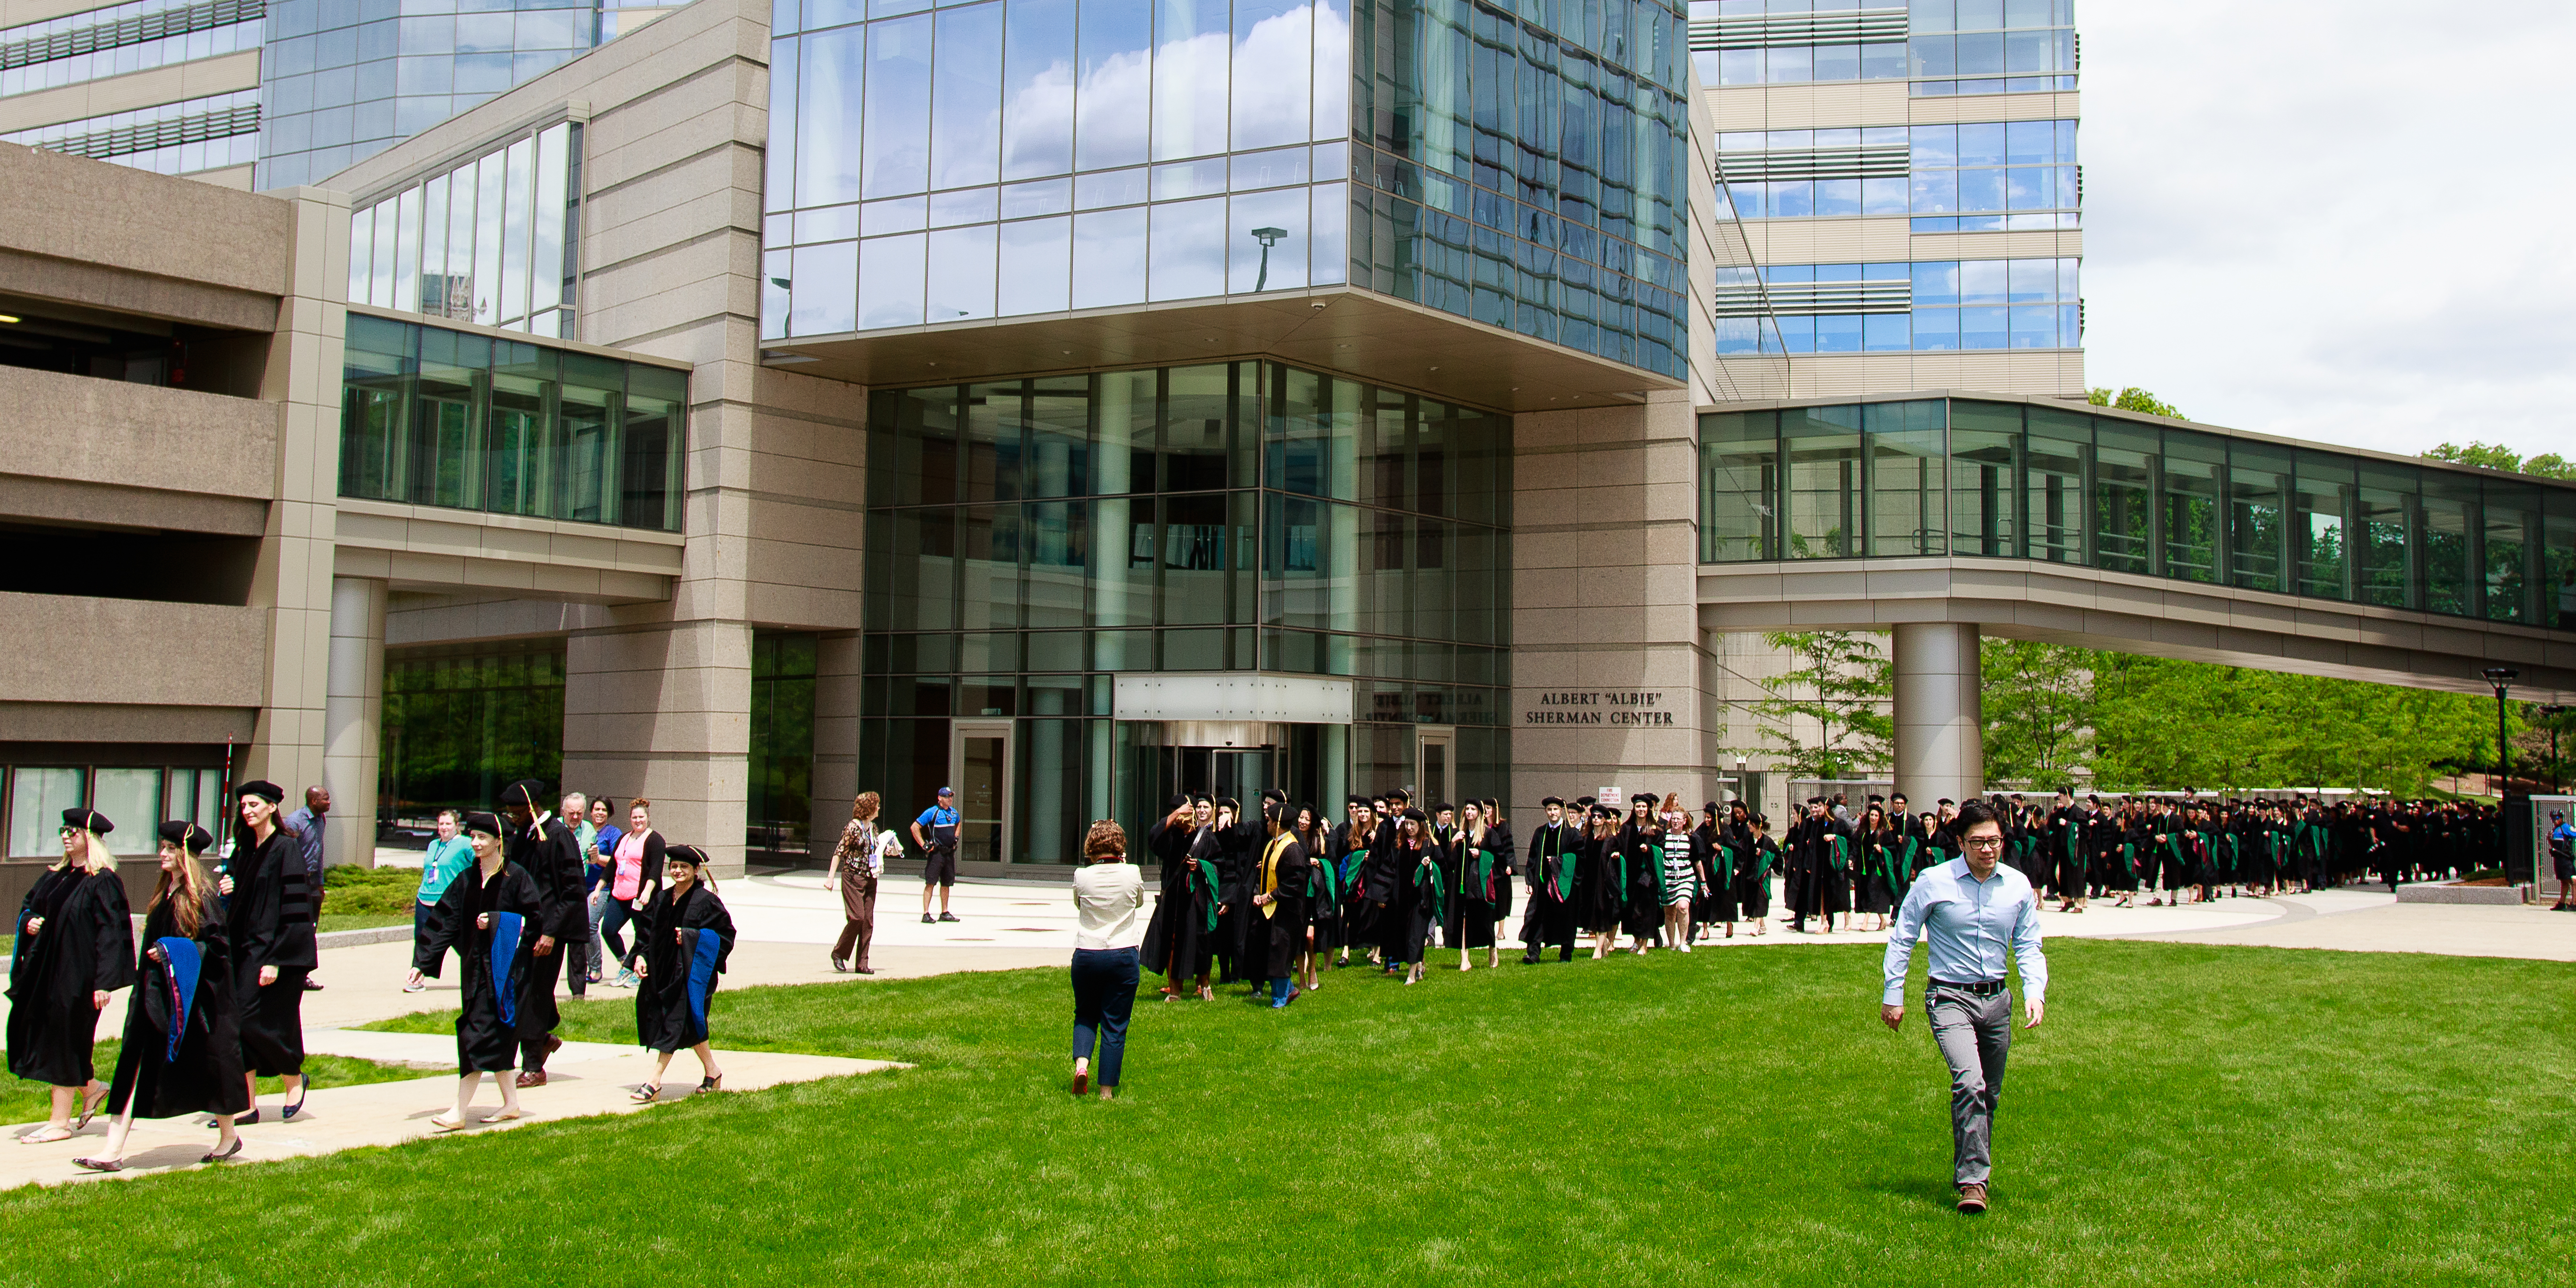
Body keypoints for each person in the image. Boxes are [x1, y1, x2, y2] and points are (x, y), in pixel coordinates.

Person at [1880, 798, 2048, 1215]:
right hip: (1949, 998)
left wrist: (2035, 990)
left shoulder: (2017, 886)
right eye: (1977, 842)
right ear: (1960, 843)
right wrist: (1893, 994)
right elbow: (1903, 936)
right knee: (1970, 1084)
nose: (1987, 850)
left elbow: (2028, 944)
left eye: (1994, 841)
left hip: (1998, 1001)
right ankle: (1974, 1183)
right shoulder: (1934, 882)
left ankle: (1969, 1169)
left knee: (1987, 1095)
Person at [76, 821, 250, 1171]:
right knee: (134, 1066)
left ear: (186, 855)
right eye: (163, 847)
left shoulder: (201, 897)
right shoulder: (165, 893)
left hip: (191, 1003)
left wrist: (172, 951)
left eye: (171, 849)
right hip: (154, 997)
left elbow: (217, 949)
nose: (163, 854)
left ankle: (229, 1136)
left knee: (209, 1069)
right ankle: (112, 1150)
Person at [406, 812, 539, 1130]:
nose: (476, 843)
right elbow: (445, 921)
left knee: (474, 1036)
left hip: (506, 976)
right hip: (474, 971)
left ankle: (459, 1111)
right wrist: (422, 962)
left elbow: (535, 922)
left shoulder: (516, 877)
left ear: (499, 841)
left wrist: (498, 921)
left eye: (482, 838)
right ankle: (511, 1104)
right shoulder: (466, 879)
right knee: (496, 1038)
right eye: (473, 837)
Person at [8, 808, 134, 1144]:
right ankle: (92, 1089)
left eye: (73, 831)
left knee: (66, 1042)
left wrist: (105, 982)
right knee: (50, 1038)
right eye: (63, 830)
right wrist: (30, 922)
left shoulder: (103, 880)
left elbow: (111, 933)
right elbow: (29, 907)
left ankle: (59, 1123)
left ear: (90, 838)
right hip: (48, 974)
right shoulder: (56, 876)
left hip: (80, 978)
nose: (65, 836)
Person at [223, 781, 314, 1122]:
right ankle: (246, 1105)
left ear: (272, 807)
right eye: (244, 806)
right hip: (242, 949)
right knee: (235, 1024)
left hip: (273, 950)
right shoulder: (245, 848)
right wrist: (230, 888)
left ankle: (293, 1077)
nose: (247, 811)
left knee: (257, 1021)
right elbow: (240, 900)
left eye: (254, 805)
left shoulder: (285, 847)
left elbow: (295, 905)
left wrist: (277, 959)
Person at [629, 845, 733, 1101]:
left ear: (696, 870)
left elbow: (725, 936)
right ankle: (713, 1072)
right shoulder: (662, 899)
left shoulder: (706, 901)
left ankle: (654, 1082)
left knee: (674, 1021)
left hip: (691, 974)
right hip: (662, 972)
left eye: (684, 867)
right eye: (674, 866)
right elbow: (645, 932)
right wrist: (641, 956)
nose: (678, 871)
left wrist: (691, 937)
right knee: (690, 1024)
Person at [498, 780, 583, 1088]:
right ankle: (544, 1036)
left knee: (533, 994)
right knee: (521, 990)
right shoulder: (525, 836)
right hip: (524, 929)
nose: (513, 818)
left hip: (547, 932)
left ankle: (534, 1066)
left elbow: (572, 891)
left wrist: (550, 933)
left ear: (533, 808)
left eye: (517, 812)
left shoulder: (559, 837)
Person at [1070, 819, 1143, 1098]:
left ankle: (1082, 1066)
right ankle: (1106, 1091)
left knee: (1085, 1014)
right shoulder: (1132, 873)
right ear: (1120, 846)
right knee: (1115, 1023)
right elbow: (1138, 902)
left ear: (1091, 847)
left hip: (1087, 953)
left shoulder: (1082, 875)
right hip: (1123, 953)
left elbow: (1079, 904)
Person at [407, 809, 475, 992]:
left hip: (450, 902)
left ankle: (480, 974)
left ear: (457, 825)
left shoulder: (466, 844)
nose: (444, 828)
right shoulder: (433, 844)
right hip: (425, 899)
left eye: (448, 824)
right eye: (441, 824)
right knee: (422, 941)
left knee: (461, 941)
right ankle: (417, 979)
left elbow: (478, 868)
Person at [601, 799, 664, 986]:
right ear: (630, 819)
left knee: (643, 935)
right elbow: (612, 865)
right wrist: (598, 888)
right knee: (608, 930)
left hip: (641, 897)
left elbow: (656, 869)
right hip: (620, 894)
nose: (638, 820)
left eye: (641, 817)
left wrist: (647, 891)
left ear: (648, 817)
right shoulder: (624, 838)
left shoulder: (655, 840)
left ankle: (639, 970)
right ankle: (626, 963)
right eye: (634, 817)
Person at [1251, 799, 1308, 1007]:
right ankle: (1289, 990)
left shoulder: (1292, 849)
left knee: (1281, 952)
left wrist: (1271, 896)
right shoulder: (1272, 845)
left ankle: (1280, 998)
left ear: (1277, 824)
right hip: (1271, 910)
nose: (1266, 824)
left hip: (1287, 911)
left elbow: (1295, 883)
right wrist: (1259, 894)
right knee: (1271, 951)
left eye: (1269, 821)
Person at [827, 793, 892, 974]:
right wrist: (831, 877)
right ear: (869, 808)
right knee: (857, 917)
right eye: (877, 805)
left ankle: (862, 964)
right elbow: (839, 851)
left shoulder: (873, 828)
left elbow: (875, 850)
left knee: (868, 922)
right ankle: (839, 953)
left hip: (871, 878)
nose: (879, 808)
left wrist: (888, 850)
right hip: (853, 877)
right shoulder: (853, 828)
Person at [1519, 797, 1580, 964]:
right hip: (1542, 883)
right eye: (1549, 810)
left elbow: (1578, 858)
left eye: (1556, 809)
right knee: (1536, 916)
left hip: (1564, 885)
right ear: (1546, 812)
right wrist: (1529, 880)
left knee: (1566, 919)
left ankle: (1566, 955)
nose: (1553, 813)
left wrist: (1557, 862)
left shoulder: (1571, 833)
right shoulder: (1540, 832)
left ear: (1562, 811)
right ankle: (1533, 953)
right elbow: (1532, 858)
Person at [281, 786, 330, 991]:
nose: (329, 802)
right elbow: (285, 854)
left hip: (312, 882)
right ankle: (288, 975)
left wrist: (320, 883)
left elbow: (319, 852)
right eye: (325, 799)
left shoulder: (320, 820)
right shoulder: (294, 822)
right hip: (296, 881)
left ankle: (303, 976)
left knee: (311, 930)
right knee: (296, 928)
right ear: (313, 801)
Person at [910, 787, 962, 924]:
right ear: (940, 798)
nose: (950, 799)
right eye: (947, 797)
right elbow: (915, 827)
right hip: (937, 854)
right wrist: (924, 845)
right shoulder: (932, 812)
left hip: (949, 853)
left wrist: (956, 837)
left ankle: (945, 912)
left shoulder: (953, 812)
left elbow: (959, 822)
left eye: (951, 797)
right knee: (931, 882)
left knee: (946, 883)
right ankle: (926, 913)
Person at [560, 792, 593, 1000]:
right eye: (571, 813)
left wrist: (595, 858)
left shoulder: (589, 830)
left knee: (578, 944)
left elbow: (593, 860)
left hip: (580, 891)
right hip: (558, 891)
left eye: (579, 813)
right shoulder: (553, 829)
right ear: (563, 811)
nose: (575, 817)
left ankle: (578, 992)